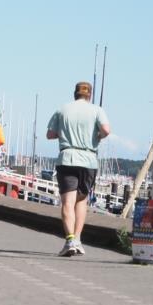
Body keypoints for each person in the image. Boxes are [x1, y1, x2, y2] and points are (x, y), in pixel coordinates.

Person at [46, 81, 111, 256]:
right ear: (89, 95)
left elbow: (50, 134)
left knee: (67, 202)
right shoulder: (97, 110)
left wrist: (65, 133)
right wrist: (97, 136)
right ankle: (78, 240)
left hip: (67, 158)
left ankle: (69, 240)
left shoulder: (62, 109)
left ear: (74, 93)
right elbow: (106, 130)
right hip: (89, 161)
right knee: (81, 201)